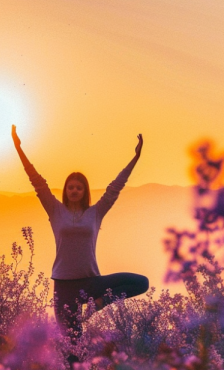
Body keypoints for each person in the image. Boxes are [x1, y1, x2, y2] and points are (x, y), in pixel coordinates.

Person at [12, 125, 148, 341]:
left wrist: (135, 158)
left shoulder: (96, 212)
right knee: (73, 349)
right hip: (64, 287)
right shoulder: (55, 209)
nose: (74, 190)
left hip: (91, 282)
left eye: (79, 187)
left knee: (141, 282)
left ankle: (99, 303)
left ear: (85, 191)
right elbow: (37, 182)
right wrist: (18, 149)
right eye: (70, 187)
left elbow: (115, 187)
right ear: (65, 190)